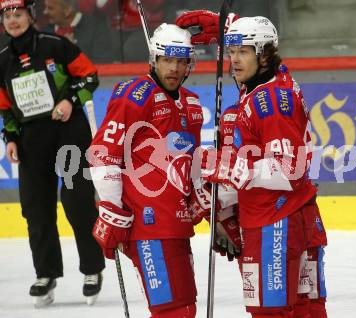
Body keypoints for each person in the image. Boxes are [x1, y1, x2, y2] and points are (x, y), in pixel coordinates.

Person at [178, 12, 328, 318]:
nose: (233, 60)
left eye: (243, 52)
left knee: (270, 313)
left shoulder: (269, 102)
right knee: (305, 310)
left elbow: (289, 170)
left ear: (263, 56)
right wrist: (229, 25)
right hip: (291, 215)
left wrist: (227, 169)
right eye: (231, 52)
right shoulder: (277, 81)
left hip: (275, 221)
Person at [88, 23, 204, 318]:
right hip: (147, 227)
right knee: (172, 311)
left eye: (181, 61)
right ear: (154, 59)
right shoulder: (134, 95)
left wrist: (201, 198)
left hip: (177, 225)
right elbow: (104, 155)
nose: (175, 68)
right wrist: (112, 210)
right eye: (168, 60)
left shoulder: (192, 103)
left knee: (186, 308)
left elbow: (191, 163)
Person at [0, 0, 105, 308]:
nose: (13, 20)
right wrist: (11, 138)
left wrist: (70, 100)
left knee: (77, 201)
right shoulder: (3, 60)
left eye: (18, 14)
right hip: (32, 140)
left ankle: (92, 270)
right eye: (7, 16)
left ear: (31, 16)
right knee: (36, 209)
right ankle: (45, 274)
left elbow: (89, 77)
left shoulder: (55, 45)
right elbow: (6, 108)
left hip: (68, 131)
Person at [43, 0, 113, 63]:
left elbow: (102, 63)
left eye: (50, 8)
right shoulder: (45, 32)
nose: (45, 12)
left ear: (67, 10)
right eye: (45, 7)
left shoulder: (96, 29)